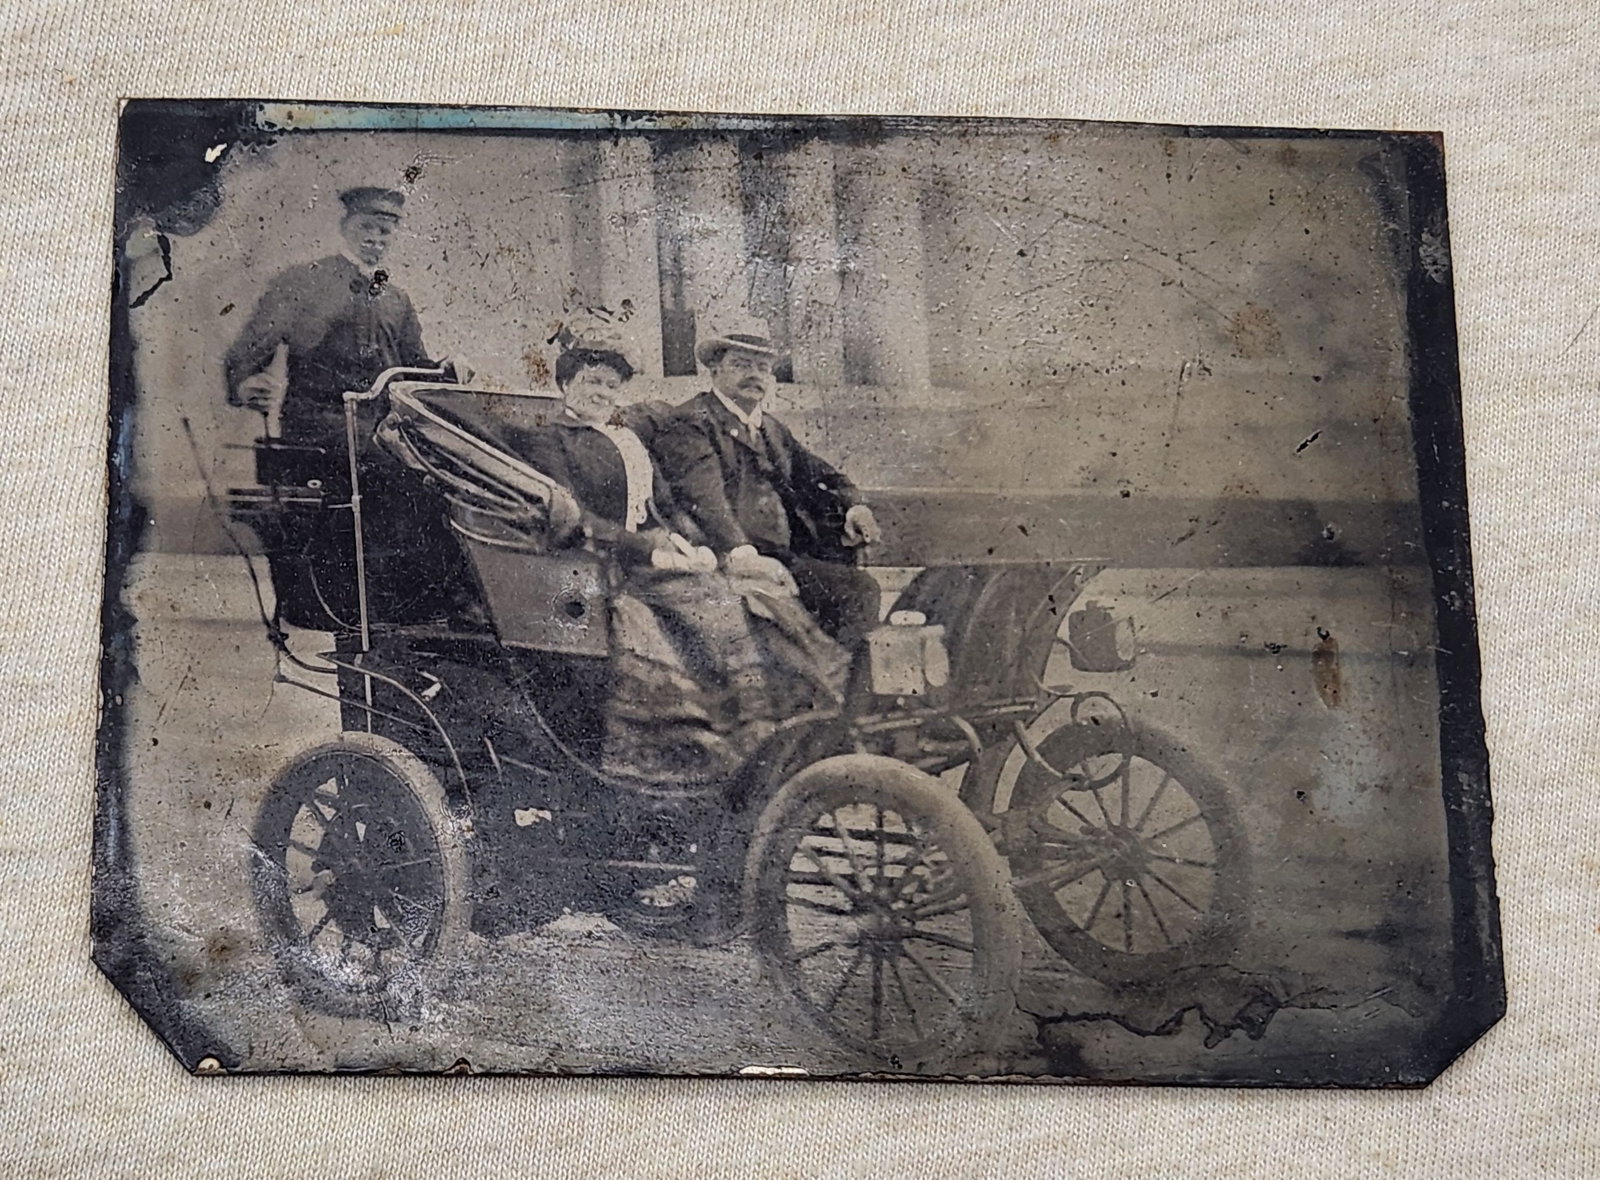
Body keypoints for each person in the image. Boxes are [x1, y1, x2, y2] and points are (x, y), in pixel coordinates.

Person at [490, 335, 849, 786]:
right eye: (591, 382)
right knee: (707, 605)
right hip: (596, 564)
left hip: (653, 558)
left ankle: (762, 733)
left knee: (747, 600)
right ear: (565, 384)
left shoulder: (624, 437)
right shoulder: (548, 440)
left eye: (609, 385)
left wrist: (690, 543)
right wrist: (653, 552)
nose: (601, 393)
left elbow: (665, 504)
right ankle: (698, 750)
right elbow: (575, 517)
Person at [224, 185, 473, 629]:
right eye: (367, 229)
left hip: (378, 425)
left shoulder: (396, 300)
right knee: (399, 467)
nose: (375, 239)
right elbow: (249, 349)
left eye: (385, 231)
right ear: (345, 228)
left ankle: (415, 602)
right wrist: (248, 382)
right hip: (317, 423)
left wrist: (447, 368)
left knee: (438, 469)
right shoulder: (304, 281)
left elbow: (413, 368)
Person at [652, 319, 884, 648]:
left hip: (786, 554)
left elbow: (821, 473)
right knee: (857, 591)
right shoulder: (692, 421)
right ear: (715, 370)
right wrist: (741, 552)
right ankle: (846, 687)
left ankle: (839, 681)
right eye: (742, 364)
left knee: (854, 588)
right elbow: (704, 498)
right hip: (730, 554)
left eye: (763, 368)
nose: (755, 375)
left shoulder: (770, 428)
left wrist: (855, 505)